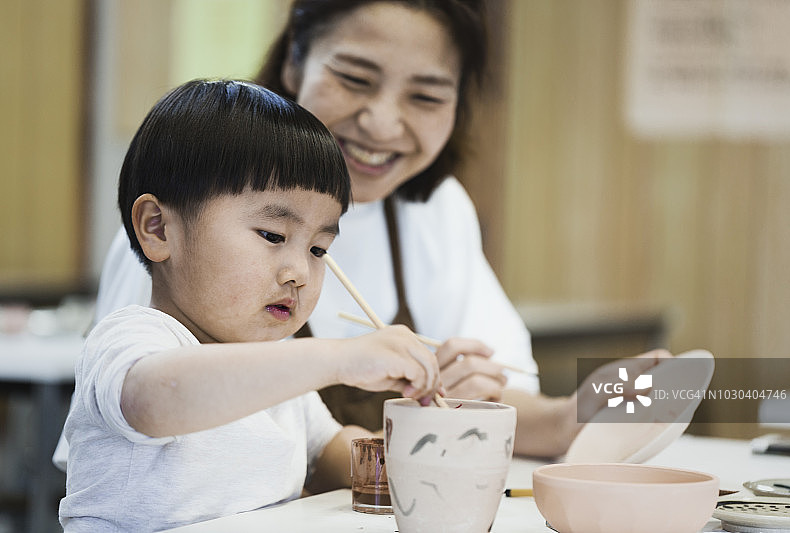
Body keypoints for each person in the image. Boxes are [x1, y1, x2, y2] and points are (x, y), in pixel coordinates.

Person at [70, 0, 667, 463]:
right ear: (295, 62)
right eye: (355, 79)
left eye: (427, 94)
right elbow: (148, 402)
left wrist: (573, 414)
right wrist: (341, 360)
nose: (383, 122)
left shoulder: (434, 210)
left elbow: (367, 441)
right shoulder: (198, 214)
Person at [58, 79, 441, 532]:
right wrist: (337, 358)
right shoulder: (134, 339)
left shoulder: (280, 367)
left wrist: (401, 453)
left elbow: (327, 454)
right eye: (273, 236)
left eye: (318, 250)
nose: (299, 270)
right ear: (158, 229)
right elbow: (155, 400)